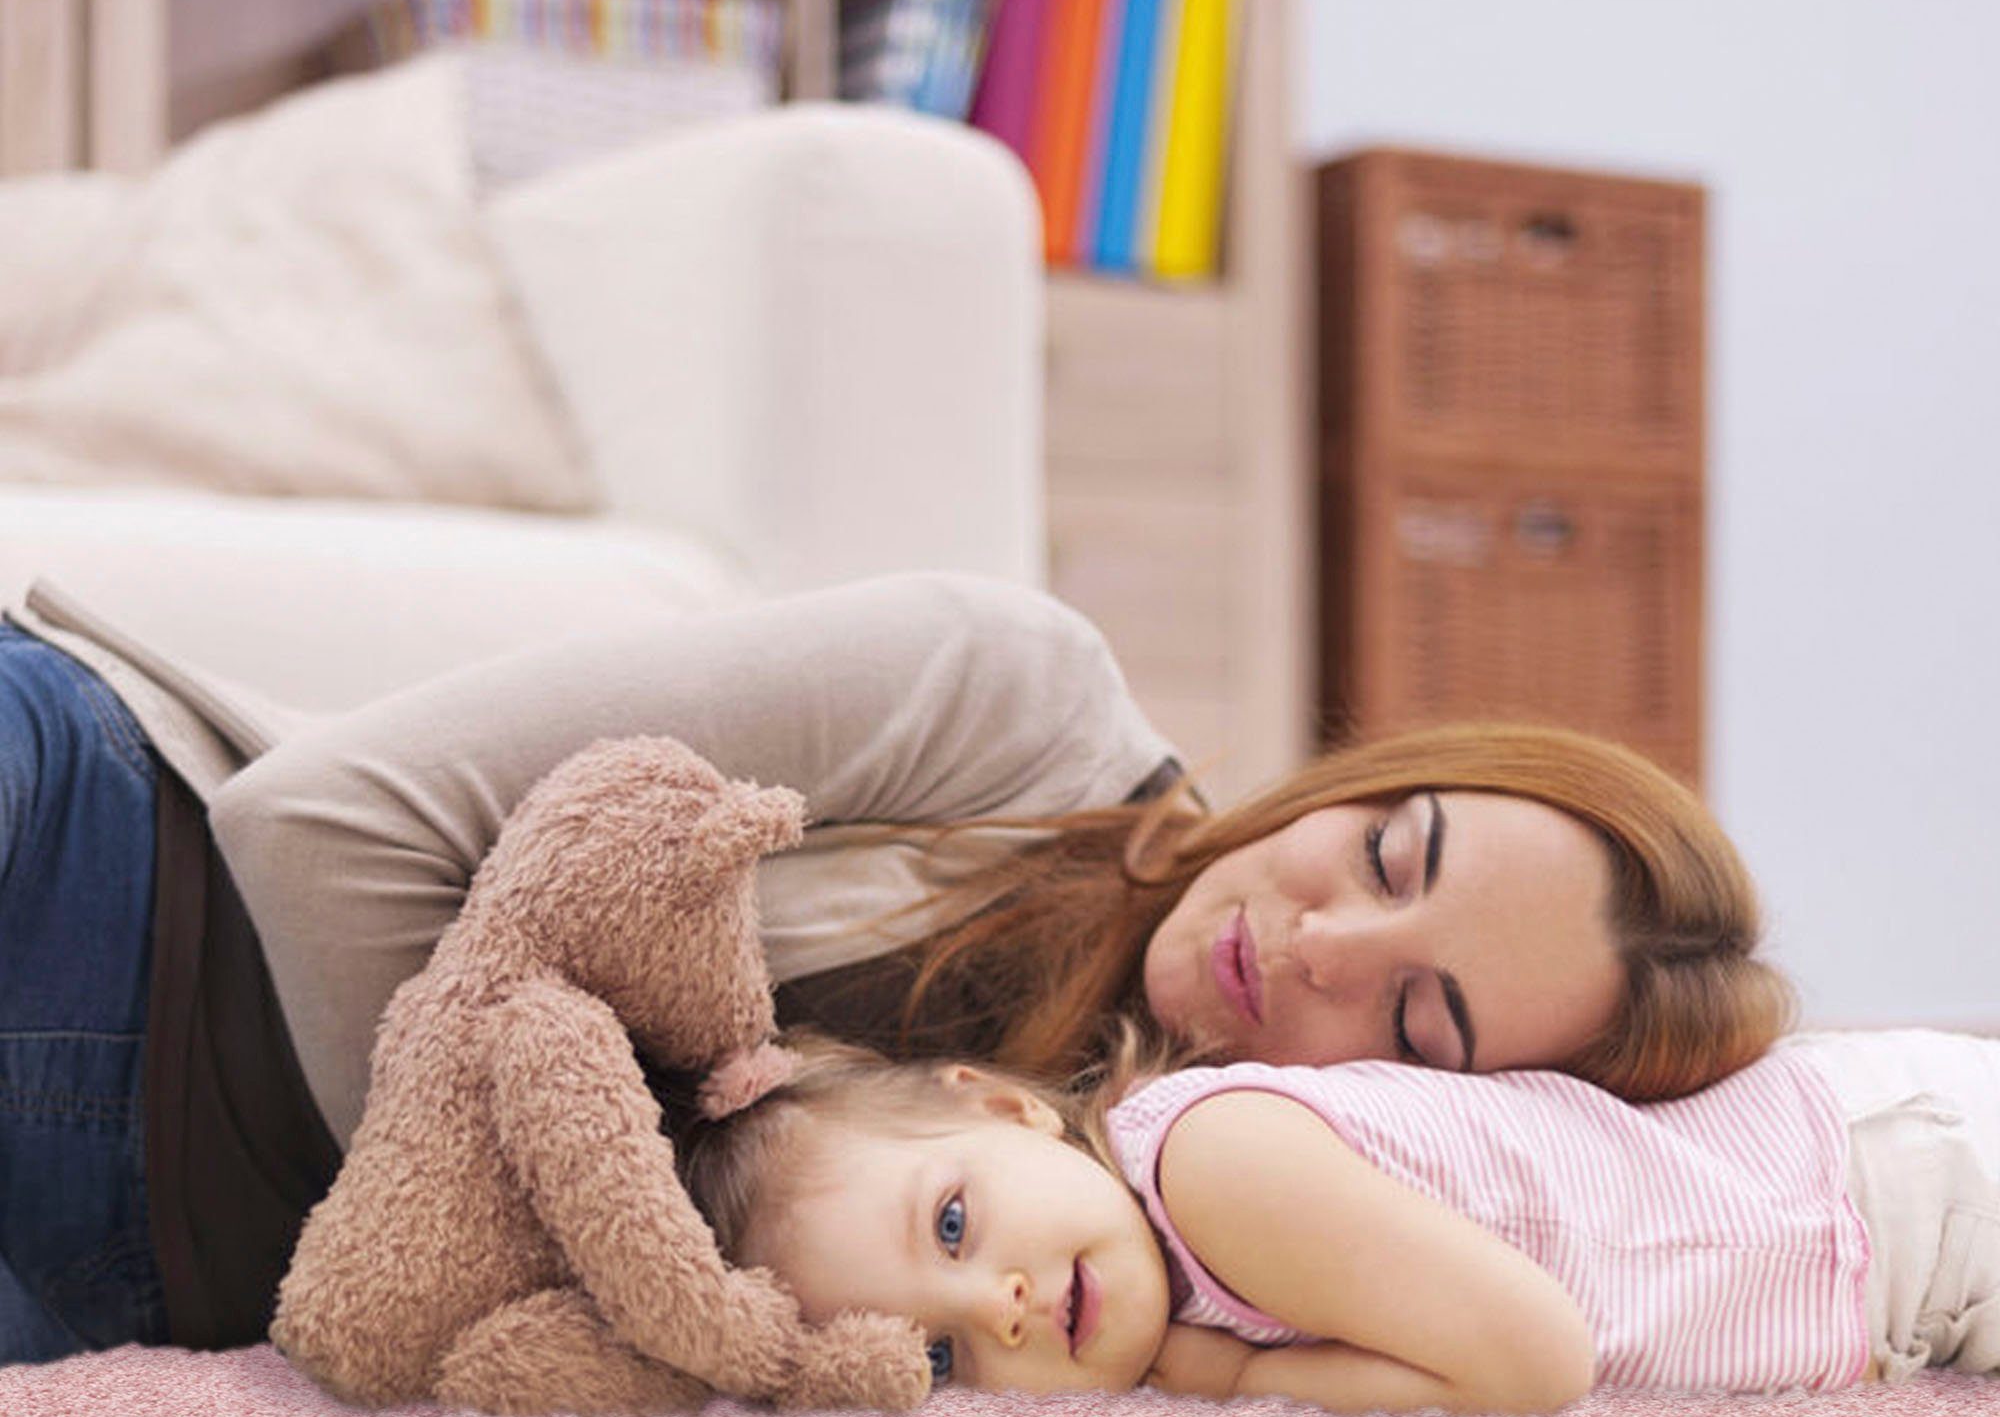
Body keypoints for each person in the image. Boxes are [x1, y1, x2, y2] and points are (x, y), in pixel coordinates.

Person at [3, 569, 1791, 1367]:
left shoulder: (1128, 1246)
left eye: (1412, 1019)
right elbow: (323, 836)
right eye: (1389, 851)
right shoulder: (1010, 695)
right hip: (113, 884)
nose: (1310, 939)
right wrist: (590, 1204)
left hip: (138, 1279)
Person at [669, 1021, 2000, 1415]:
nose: (994, 1305)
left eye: (953, 1228)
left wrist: (1244, 1377)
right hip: (1887, 1286)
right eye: (946, 1356)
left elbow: (1536, 1361)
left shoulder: (1215, 1168)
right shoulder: (1170, 1253)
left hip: (1900, 1191)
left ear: (1008, 1110)